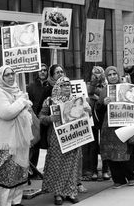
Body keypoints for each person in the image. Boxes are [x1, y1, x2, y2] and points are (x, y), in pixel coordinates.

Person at [39, 76, 90, 205]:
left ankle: (70, 192)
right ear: (58, 87)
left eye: (69, 84)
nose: (67, 87)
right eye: (64, 85)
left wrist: (87, 110)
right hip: (57, 138)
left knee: (73, 165)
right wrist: (50, 118)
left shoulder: (77, 100)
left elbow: (86, 115)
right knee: (57, 165)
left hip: (74, 137)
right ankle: (58, 193)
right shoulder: (50, 101)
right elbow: (41, 117)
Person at [0, 65, 34, 206]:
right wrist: (22, 102)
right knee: (6, 175)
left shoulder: (17, 91)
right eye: (6, 74)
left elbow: (26, 113)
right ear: (0, 77)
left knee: (19, 172)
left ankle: (16, 201)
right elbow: (6, 113)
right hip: (5, 141)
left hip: (21, 139)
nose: (11, 77)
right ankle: (4, 203)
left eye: (12, 73)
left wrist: (22, 104)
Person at [97, 66, 134, 189]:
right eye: (110, 74)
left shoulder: (127, 88)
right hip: (108, 128)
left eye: (115, 73)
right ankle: (118, 180)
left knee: (124, 153)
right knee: (110, 154)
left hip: (123, 124)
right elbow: (98, 110)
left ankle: (131, 177)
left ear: (118, 75)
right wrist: (104, 104)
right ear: (106, 77)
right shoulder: (104, 91)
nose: (113, 76)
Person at [82, 66, 110, 181]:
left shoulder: (107, 85)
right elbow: (89, 91)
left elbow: (102, 93)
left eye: (99, 73)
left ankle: (105, 170)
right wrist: (94, 82)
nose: (97, 76)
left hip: (103, 116)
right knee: (92, 146)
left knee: (104, 143)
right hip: (92, 118)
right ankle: (92, 170)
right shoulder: (88, 85)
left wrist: (97, 92)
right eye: (94, 74)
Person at [27, 63, 52, 178]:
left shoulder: (50, 86)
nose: (42, 72)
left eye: (45, 70)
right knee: (34, 145)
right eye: (40, 70)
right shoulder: (31, 86)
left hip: (46, 120)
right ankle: (32, 170)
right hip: (34, 119)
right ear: (37, 72)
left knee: (47, 144)